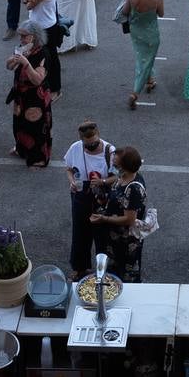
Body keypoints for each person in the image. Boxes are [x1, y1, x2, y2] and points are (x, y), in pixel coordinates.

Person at [65, 120, 115, 279]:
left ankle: (104, 271)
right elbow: (69, 169)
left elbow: (117, 176)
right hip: (80, 196)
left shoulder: (110, 151)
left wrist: (103, 182)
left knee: (103, 236)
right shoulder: (75, 148)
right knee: (80, 234)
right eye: (87, 144)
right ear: (81, 140)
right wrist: (71, 181)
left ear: (98, 135)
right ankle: (80, 268)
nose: (91, 146)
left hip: (101, 197)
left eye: (94, 143)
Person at [91, 146, 147, 281]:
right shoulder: (123, 176)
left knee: (127, 275)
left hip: (126, 242)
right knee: (112, 273)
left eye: (115, 163)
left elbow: (129, 219)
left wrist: (104, 218)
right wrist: (101, 187)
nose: (113, 164)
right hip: (114, 238)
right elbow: (115, 195)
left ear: (124, 166)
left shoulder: (133, 188)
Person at [126, 0, 165, 109]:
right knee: (147, 59)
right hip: (151, 33)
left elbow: (125, 11)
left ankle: (150, 80)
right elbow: (161, 14)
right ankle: (135, 93)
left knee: (143, 56)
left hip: (136, 32)